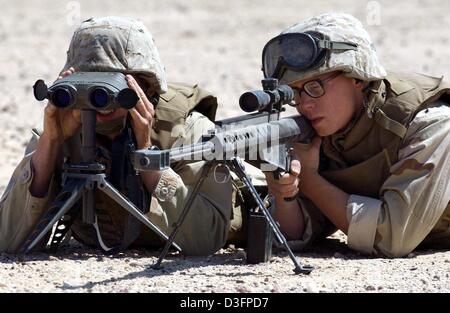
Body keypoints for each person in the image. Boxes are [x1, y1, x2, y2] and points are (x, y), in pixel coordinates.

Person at [0, 16, 235, 256]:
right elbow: (7, 240)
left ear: (145, 86)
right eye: (89, 84)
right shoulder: (60, 130)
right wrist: (51, 143)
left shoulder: (185, 130)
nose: (101, 106)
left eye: (113, 86)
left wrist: (148, 158)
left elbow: (207, 239)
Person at [263, 13, 450, 257]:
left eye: (315, 87)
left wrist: (310, 180)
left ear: (357, 78)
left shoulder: (428, 122)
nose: (304, 105)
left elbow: (391, 237)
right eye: (295, 93)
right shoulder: (327, 129)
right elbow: (295, 234)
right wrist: (283, 192)